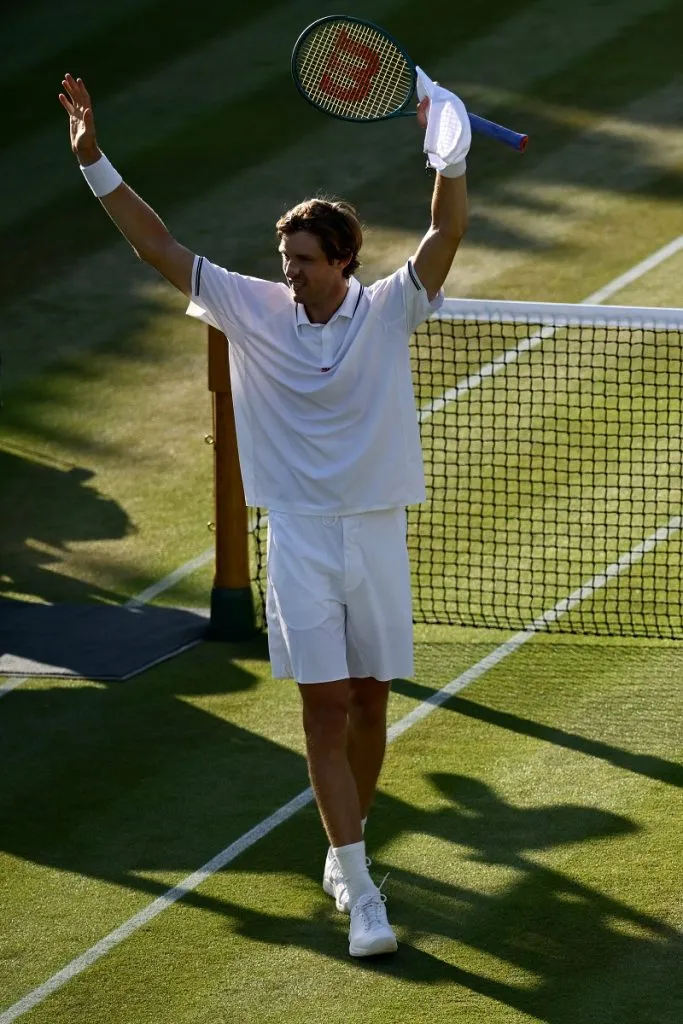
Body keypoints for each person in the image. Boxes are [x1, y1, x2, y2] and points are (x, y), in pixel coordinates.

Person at [59, 72, 468, 958]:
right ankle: (359, 882)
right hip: (297, 534)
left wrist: (451, 154)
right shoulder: (253, 307)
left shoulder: (391, 309)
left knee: (369, 700)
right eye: (284, 261)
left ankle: (345, 847)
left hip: (375, 529)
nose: (288, 276)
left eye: (304, 262)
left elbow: (446, 232)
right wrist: (94, 162)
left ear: (343, 263)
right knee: (323, 706)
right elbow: (160, 248)